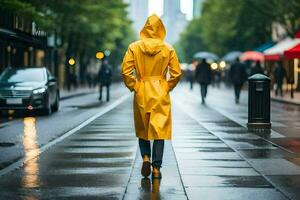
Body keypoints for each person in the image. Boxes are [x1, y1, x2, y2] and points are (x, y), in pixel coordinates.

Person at [122, 14, 181, 179]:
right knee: (159, 131)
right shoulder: (168, 48)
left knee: (143, 129)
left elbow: (125, 72)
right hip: (160, 91)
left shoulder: (134, 47)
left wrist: (135, 86)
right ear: (161, 28)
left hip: (142, 90)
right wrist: (166, 87)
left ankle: (146, 157)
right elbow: (176, 73)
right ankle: (156, 168)